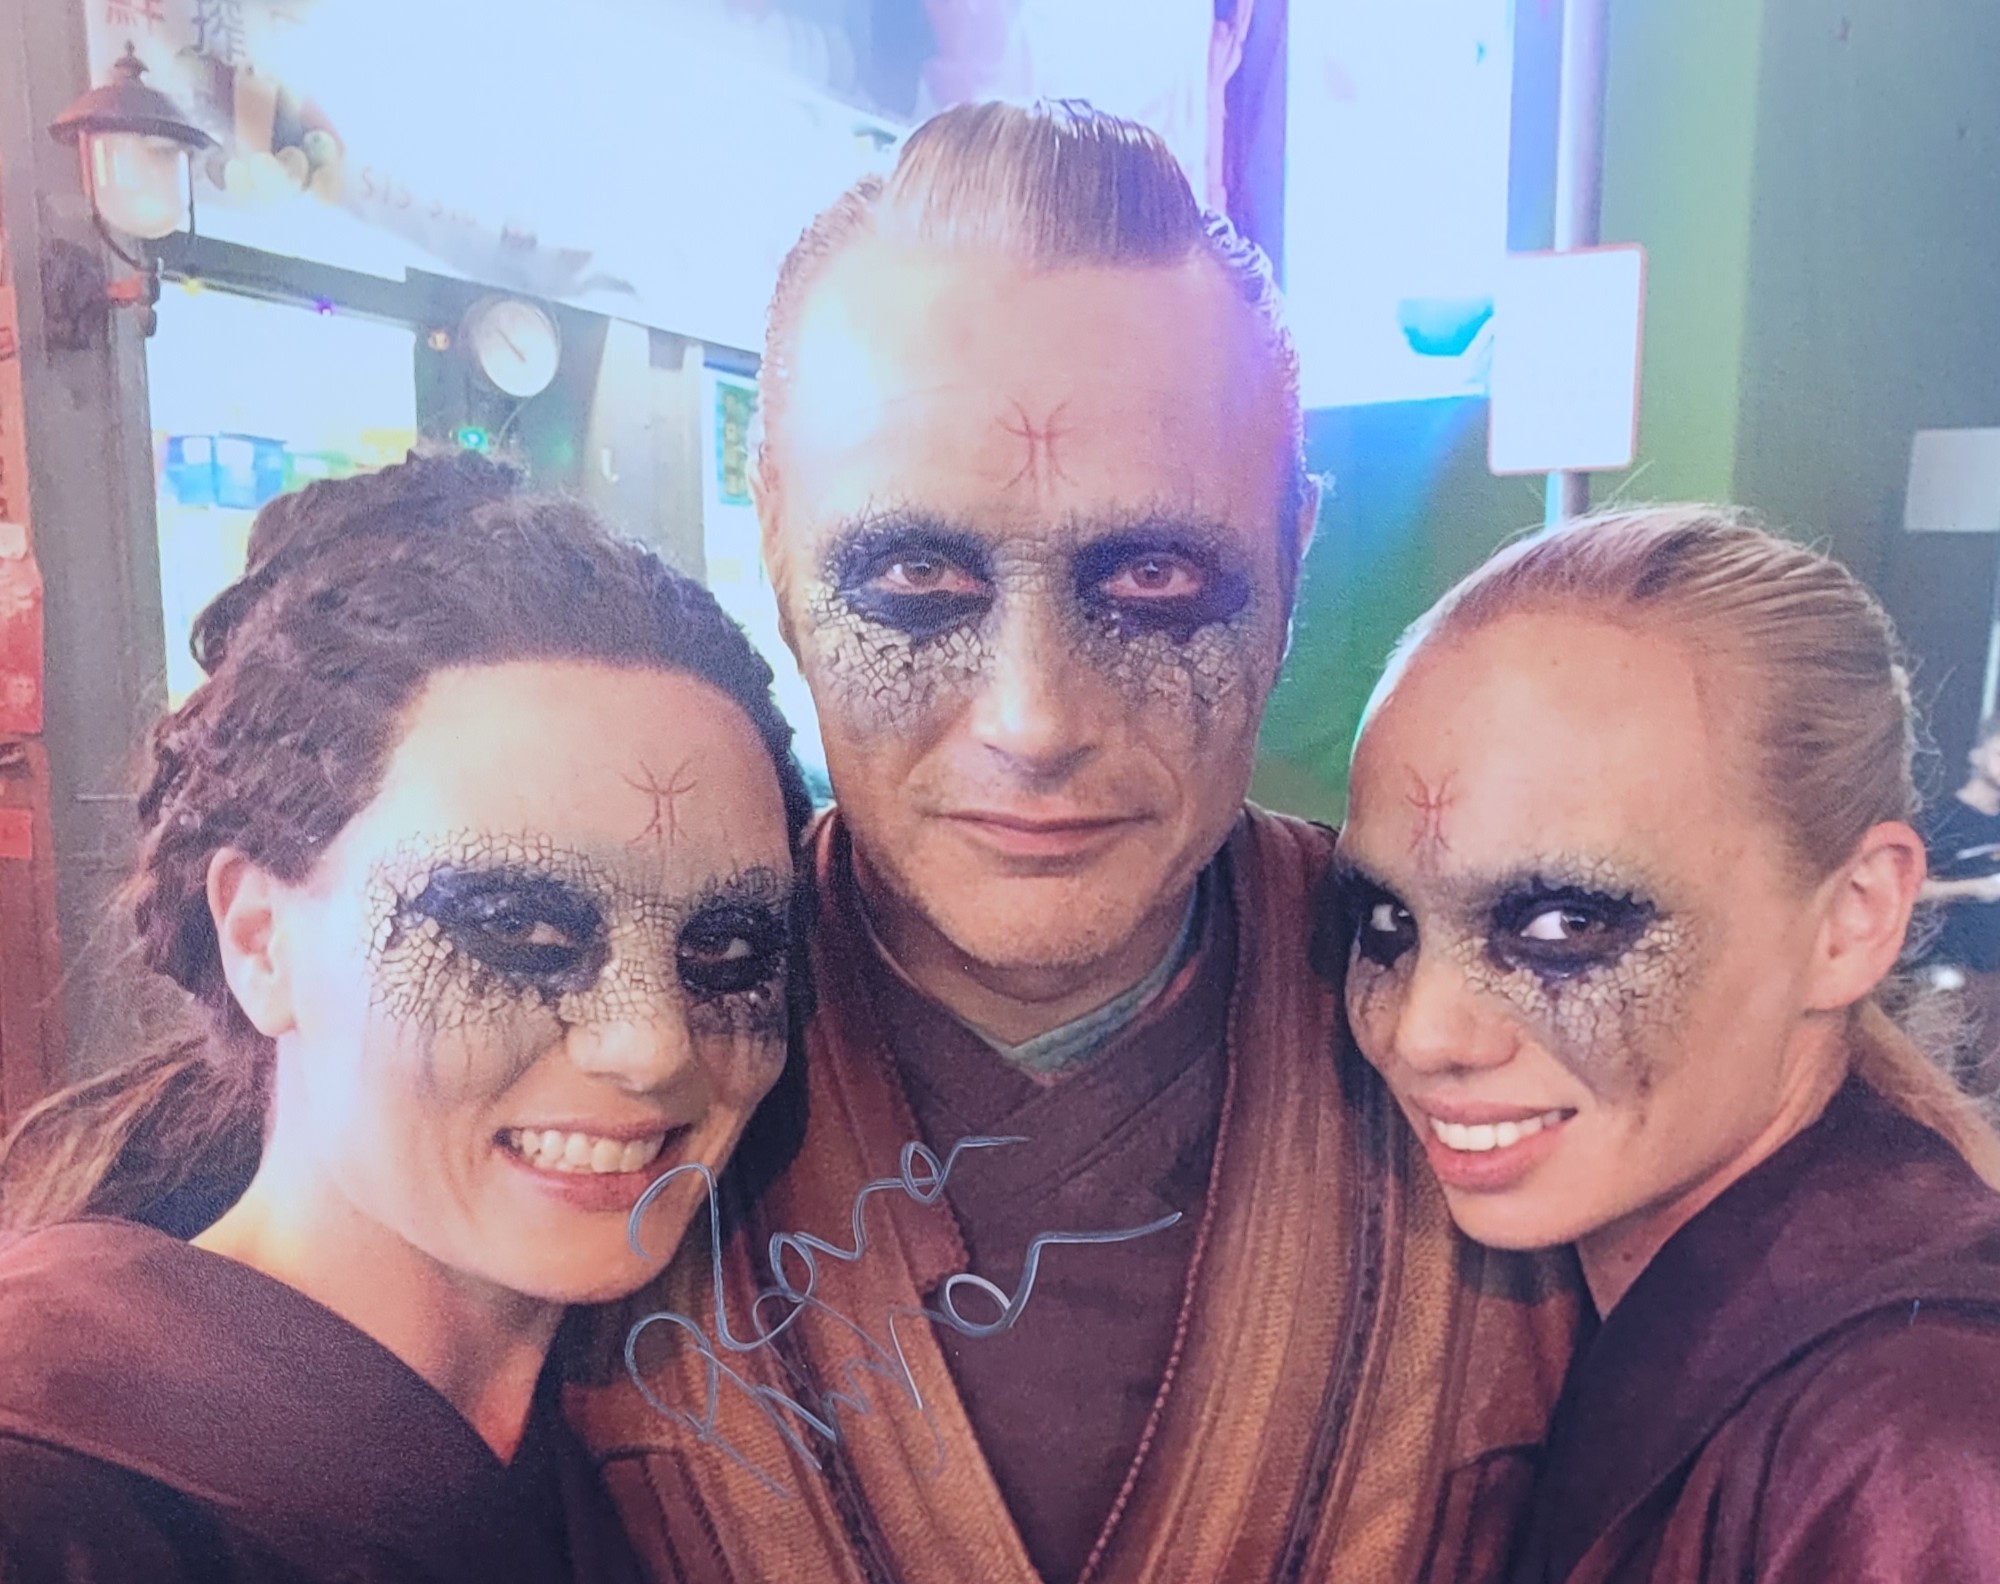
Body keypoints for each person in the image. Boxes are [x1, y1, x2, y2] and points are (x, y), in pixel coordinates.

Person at [574, 101, 1579, 1584]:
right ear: (776, 546)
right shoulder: (570, 1064)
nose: (1034, 720)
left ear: (1292, 558)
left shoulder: (1527, 1034)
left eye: (1156, 576)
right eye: (917, 576)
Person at [0, 452, 816, 1582]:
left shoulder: (695, 1435)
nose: (652, 1046)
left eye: (726, 950)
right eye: (516, 928)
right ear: (259, 939)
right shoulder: (52, 1503)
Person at [1334, 504, 2000, 1583]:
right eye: (1386, 923)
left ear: (1852, 917)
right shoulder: (1589, 1311)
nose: (1423, 1032)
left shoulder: (1919, 1448)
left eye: (1564, 924)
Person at [1915, 716, 2000, 1040]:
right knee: (1930, 1057)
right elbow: (1911, 889)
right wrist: (1975, 888)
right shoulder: (1942, 819)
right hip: (1944, 972)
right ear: (1975, 754)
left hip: (1992, 978)